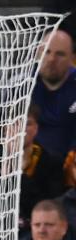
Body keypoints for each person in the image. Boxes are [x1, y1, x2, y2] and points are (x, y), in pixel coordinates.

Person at [30, 30, 76, 160]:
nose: (51, 59)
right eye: (47, 52)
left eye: (60, 54)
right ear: (38, 53)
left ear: (72, 58)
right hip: (28, 168)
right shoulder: (20, 87)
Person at [17, 104, 65, 227]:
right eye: (15, 123)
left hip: (35, 229)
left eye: (27, 124)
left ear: (36, 128)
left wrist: (21, 175)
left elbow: (51, 204)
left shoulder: (52, 162)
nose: (21, 129)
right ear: (4, 128)